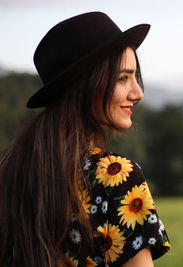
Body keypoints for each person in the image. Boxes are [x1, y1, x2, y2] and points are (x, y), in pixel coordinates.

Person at [0, 12, 170, 266]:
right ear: (87, 84)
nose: (138, 93)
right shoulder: (116, 177)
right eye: (123, 78)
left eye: (136, 77)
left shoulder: (8, 170)